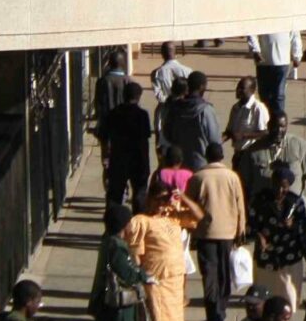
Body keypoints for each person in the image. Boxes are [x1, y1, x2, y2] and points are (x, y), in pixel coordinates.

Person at [123, 181, 203, 321]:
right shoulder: (141, 222)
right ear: (150, 198)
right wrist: (141, 281)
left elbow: (199, 217)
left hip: (175, 284)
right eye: (158, 199)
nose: (161, 204)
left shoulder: (172, 216)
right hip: (157, 283)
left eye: (164, 200)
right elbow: (136, 256)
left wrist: (182, 197)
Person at [188, 143, 247, 321]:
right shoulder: (232, 177)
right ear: (222, 156)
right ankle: (221, 308)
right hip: (228, 233)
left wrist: (191, 232)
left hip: (205, 234)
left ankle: (213, 316)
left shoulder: (198, 177)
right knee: (224, 275)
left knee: (209, 276)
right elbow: (240, 206)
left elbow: (190, 206)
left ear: (206, 156)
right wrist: (241, 230)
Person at [89, 204, 154, 321]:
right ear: (124, 225)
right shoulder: (117, 247)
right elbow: (127, 274)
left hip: (106, 307)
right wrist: (145, 275)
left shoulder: (109, 241)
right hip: (116, 310)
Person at [251, 163, 306, 316]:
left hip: (289, 258)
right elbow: (250, 223)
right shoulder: (260, 201)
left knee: (289, 298)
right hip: (266, 259)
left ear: (289, 186)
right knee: (266, 301)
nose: (280, 190)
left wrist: (294, 225)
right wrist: (259, 236)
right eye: (277, 185)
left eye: (284, 187)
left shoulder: (296, 202)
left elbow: (304, 224)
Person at [241, 113, 306, 222]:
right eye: (275, 126)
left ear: (287, 126)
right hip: (264, 210)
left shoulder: (299, 146)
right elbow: (244, 182)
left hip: (293, 210)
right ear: (268, 126)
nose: (279, 130)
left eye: (282, 126)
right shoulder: (254, 151)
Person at [103, 82, 153, 213]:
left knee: (115, 194)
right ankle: (139, 220)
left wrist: (106, 156)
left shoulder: (113, 113)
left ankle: (113, 219)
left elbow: (104, 136)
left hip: (118, 158)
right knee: (140, 193)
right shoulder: (142, 115)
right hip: (138, 158)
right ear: (139, 97)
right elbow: (145, 138)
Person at [162, 71, 223, 170]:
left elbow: (167, 134)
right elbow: (215, 140)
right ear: (202, 87)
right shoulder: (206, 110)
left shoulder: (175, 108)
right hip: (201, 165)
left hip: (179, 166)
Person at [226, 77, 271, 153]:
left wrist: (244, 135)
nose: (238, 90)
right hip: (238, 152)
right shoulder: (235, 108)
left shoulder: (258, 108)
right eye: (238, 87)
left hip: (253, 153)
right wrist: (219, 140)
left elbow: (265, 133)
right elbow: (229, 131)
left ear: (252, 91)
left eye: (242, 88)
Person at [93, 49, 132, 130]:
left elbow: (97, 102)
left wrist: (97, 115)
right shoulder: (128, 81)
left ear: (109, 63)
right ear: (123, 63)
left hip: (106, 122)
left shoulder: (102, 81)